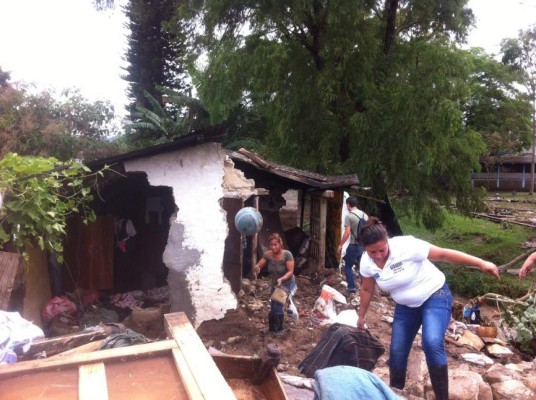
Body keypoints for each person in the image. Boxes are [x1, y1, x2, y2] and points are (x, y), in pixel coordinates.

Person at [357, 217, 500, 400]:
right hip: (406, 306)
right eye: (372, 252)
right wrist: (361, 316)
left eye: (381, 250)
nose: (377, 255)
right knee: (397, 352)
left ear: (388, 241)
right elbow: (367, 289)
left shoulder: (406, 246)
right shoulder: (366, 262)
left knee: (432, 343)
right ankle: (394, 394)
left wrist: (481, 263)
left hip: (435, 295)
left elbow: (442, 254)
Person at [254, 233, 297, 333]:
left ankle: (279, 329)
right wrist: (256, 268)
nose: (273, 247)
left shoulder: (287, 255)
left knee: (278, 305)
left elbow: (290, 272)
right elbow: (259, 265)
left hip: (286, 283)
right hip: (275, 284)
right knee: (273, 306)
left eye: (275, 245)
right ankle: (272, 328)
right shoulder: (268, 255)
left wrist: (282, 279)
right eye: (271, 245)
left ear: (280, 244)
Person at [337, 196, 368, 293]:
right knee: (362, 267)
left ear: (348, 205)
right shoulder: (364, 215)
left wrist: (340, 245)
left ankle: (351, 287)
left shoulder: (349, 216)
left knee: (348, 266)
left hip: (353, 245)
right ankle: (365, 287)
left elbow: (347, 233)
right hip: (363, 246)